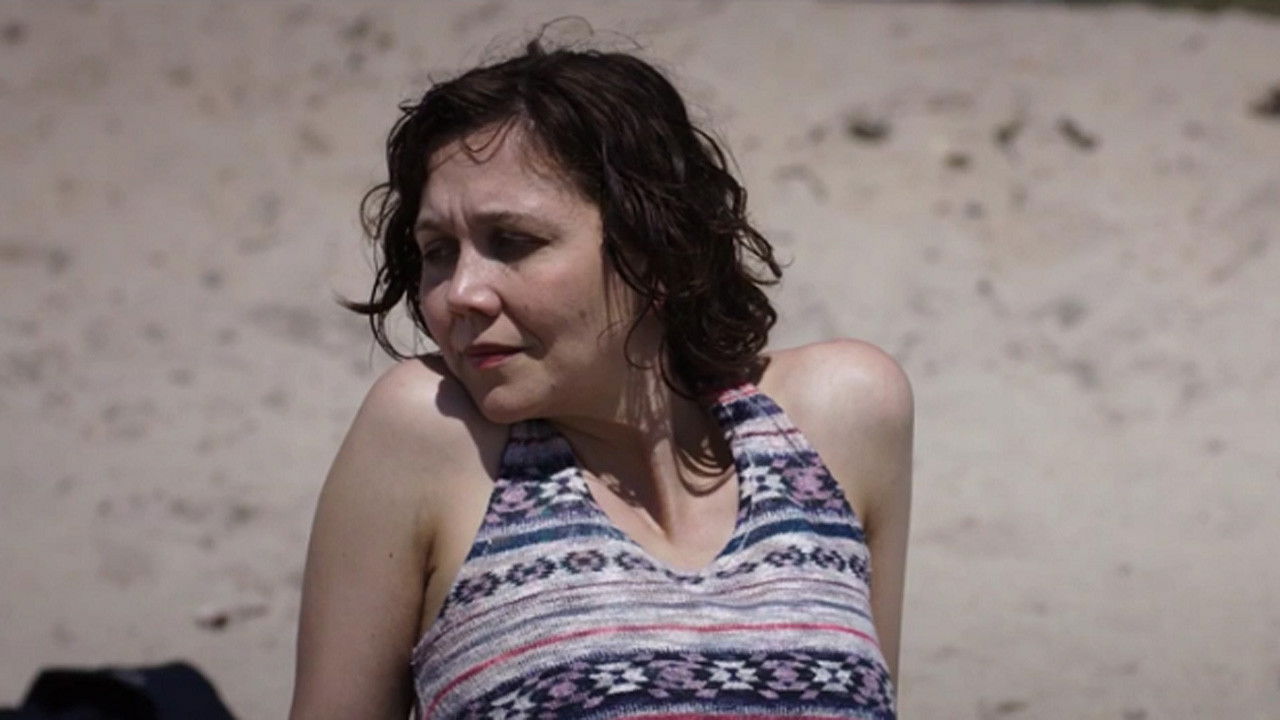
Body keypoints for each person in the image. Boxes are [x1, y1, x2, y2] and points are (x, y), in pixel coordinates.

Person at [290, 35, 913, 720]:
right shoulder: (433, 435)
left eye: (512, 241)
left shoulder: (840, 417)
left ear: (655, 247)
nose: (460, 292)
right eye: (438, 251)